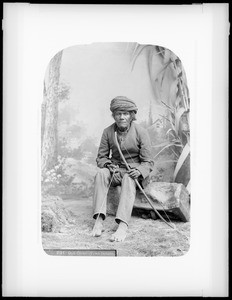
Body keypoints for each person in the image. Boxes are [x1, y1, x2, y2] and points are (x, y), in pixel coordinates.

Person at [91, 96, 154, 242]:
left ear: (132, 115)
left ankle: (123, 226)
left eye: (125, 114)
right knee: (101, 173)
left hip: (135, 173)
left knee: (128, 177)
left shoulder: (141, 132)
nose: (122, 117)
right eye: (118, 114)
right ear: (114, 115)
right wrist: (108, 165)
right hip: (116, 171)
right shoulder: (108, 132)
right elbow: (101, 157)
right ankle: (99, 220)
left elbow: (148, 162)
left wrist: (139, 171)